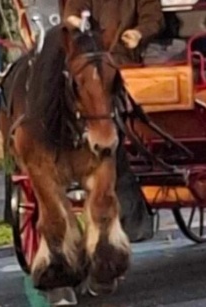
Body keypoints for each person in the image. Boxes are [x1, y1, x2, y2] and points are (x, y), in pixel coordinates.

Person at [61, 0, 165, 242]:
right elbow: (71, 13)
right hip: (88, 56)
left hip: (120, 58)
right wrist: (78, 24)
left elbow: (153, 19)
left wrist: (138, 33)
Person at [62, 0, 165, 64]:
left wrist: (138, 34)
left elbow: (153, 20)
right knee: (54, 37)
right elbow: (73, 12)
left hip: (122, 54)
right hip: (87, 54)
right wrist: (75, 20)